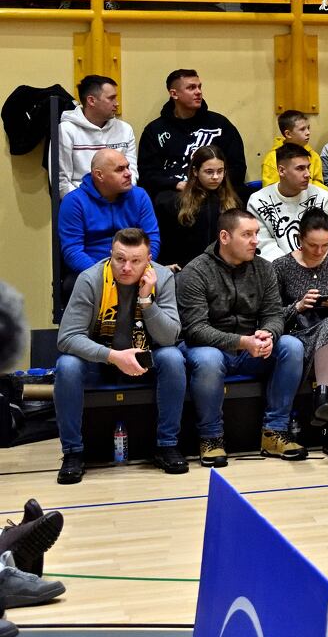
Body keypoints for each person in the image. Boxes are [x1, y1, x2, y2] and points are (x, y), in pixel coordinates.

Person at [54, 228, 187, 483]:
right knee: (67, 366)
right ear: (110, 255)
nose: (126, 267)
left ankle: (167, 445)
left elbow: (169, 337)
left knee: (172, 358)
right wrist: (114, 356)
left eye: (136, 261)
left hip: (144, 356)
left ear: (148, 260)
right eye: (120, 259)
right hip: (100, 359)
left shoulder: (162, 277)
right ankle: (73, 452)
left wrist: (147, 300)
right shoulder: (90, 279)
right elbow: (67, 337)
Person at [177, 209, 307, 464]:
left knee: (292, 346)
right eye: (247, 234)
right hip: (207, 348)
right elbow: (195, 329)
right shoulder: (196, 271)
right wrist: (241, 342)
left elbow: (274, 314)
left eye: (256, 233)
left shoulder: (264, 268)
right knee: (209, 359)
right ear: (225, 237)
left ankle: (274, 432)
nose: (255, 241)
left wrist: (268, 334)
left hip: (250, 348)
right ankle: (211, 438)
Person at [270, 209, 328, 459]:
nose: (320, 251)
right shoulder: (281, 266)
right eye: (313, 245)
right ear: (300, 239)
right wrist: (298, 306)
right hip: (301, 337)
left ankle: (322, 397)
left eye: (325, 245)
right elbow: (270, 316)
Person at [138, 69, 247, 197]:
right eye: (191, 88)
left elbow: (238, 167)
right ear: (174, 94)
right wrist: (176, 184)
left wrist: (210, 184)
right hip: (174, 194)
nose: (198, 92)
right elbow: (147, 174)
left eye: (199, 87)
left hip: (216, 191)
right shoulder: (155, 130)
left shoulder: (220, 125)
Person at [58, 150, 160, 276]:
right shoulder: (74, 201)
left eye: (127, 167)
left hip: (135, 269)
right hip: (92, 272)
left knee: (167, 277)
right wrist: (106, 276)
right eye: (120, 169)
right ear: (99, 175)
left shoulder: (139, 196)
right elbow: (72, 251)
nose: (128, 173)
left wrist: (137, 269)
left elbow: (152, 240)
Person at [153, 145, 241, 270]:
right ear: (195, 171)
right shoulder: (174, 203)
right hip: (186, 269)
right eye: (209, 172)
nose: (215, 177)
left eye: (220, 171)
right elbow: (168, 244)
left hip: (223, 269)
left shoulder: (233, 202)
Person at [246, 144, 328, 262]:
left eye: (308, 167)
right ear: (281, 171)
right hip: (277, 266)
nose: (308, 174)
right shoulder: (258, 201)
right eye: (300, 168)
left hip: (318, 260)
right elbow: (264, 245)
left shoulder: (322, 196)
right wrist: (293, 265)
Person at [54, 74, 136, 198]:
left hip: (120, 199)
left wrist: (118, 199)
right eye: (111, 98)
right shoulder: (66, 130)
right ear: (91, 100)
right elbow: (61, 181)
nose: (117, 103)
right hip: (81, 202)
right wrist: (89, 204)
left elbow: (132, 173)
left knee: (141, 196)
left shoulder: (125, 129)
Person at [259, 109, 327, 190]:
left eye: (308, 128)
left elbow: (318, 182)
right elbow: (270, 189)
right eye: (302, 129)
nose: (308, 132)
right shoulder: (272, 158)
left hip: (309, 196)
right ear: (288, 134)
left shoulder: (313, 155)